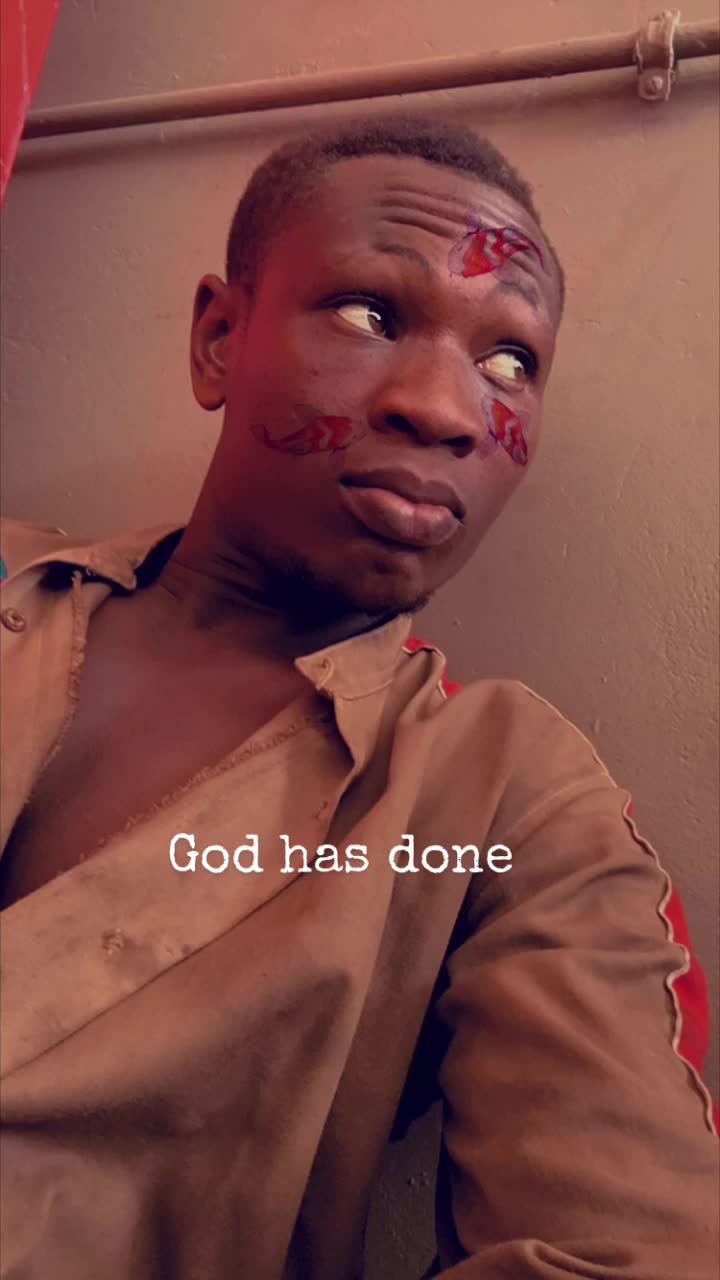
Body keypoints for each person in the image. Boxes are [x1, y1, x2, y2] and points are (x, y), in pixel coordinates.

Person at [0, 112, 716, 1280]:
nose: (445, 408)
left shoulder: (505, 801)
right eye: (370, 313)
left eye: (510, 362)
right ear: (219, 340)